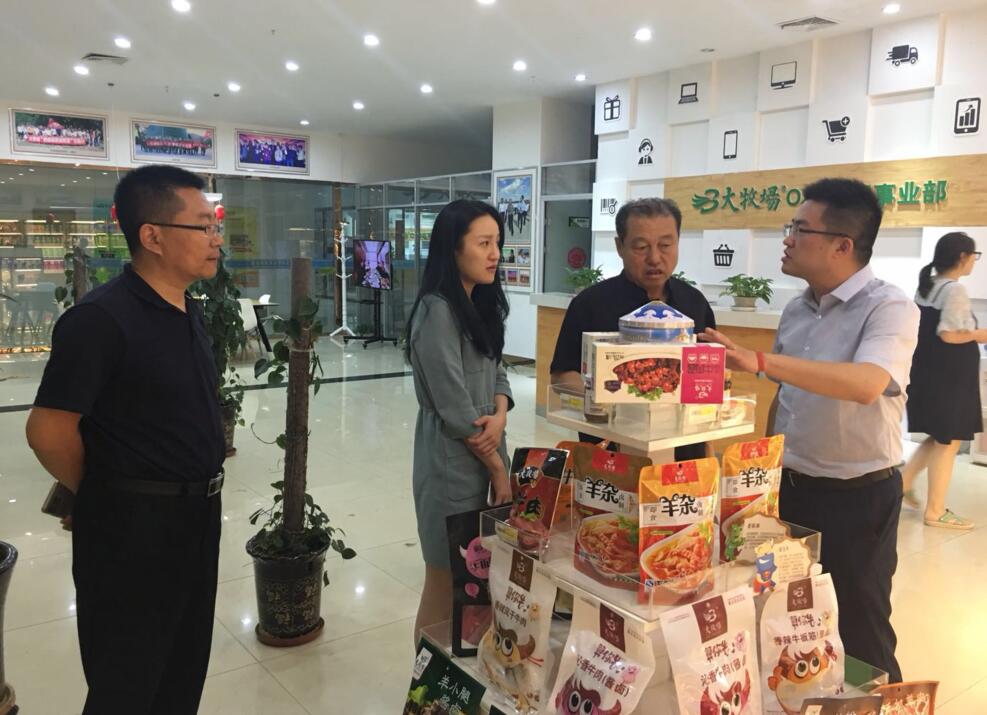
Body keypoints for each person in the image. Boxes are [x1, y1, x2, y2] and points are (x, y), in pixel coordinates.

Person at [25, 165, 227, 714]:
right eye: (203, 227)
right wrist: (98, 491)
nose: (216, 239)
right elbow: (48, 430)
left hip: (196, 518)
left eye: (215, 226)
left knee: (183, 669)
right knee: (128, 680)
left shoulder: (188, 309)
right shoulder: (101, 320)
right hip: (132, 530)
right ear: (152, 235)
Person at [700, 178, 919, 682]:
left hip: (858, 496)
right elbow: (788, 395)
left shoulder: (889, 306)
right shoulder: (798, 308)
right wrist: (762, 472)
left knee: (861, 624)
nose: (788, 238)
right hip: (790, 489)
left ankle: (879, 706)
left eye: (800, 229)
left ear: (842, 245)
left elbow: (868, 383)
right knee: (787, 614)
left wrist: (759, 360)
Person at [406, 199, 514, 641]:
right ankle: (423, 677)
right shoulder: (436, 311)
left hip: (489, 445)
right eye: (483, 243)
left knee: (477, 572)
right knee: (444, 578)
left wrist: (501, 414)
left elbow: (498, 371)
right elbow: (455, 407)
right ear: (453, 249)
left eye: (497, 243)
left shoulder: (477, 304)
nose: (495, 254)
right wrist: (499, 471)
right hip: (451, 460)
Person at [550, 197, 715, 460]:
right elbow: (561, 377)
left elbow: (708, 379)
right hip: (610, 454)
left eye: (665, 245)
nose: (655, 258)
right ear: (620, 246)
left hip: (682, 459)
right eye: (641, 247)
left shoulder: (694, 303)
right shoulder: (590, 304)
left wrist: (708, 452)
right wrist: (610, 404)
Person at [901, 232, 985, 530]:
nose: (974, 261)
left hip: (930, 374)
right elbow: (949, 335)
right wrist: (981, 334)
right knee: (948, 440)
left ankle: (902, 484)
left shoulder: (929, 285)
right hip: (950, 378)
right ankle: (935, 511)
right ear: (963, 257)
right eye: (974, 256)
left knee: (940, 437)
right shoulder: (954, 290)